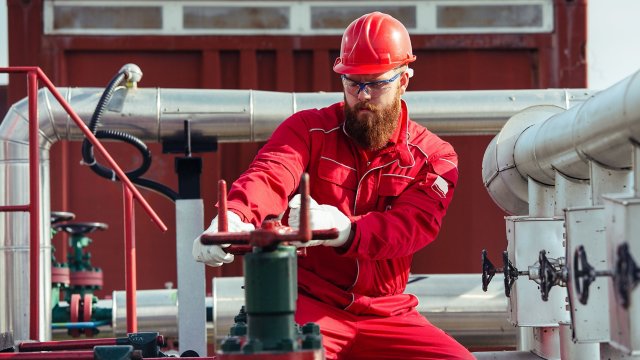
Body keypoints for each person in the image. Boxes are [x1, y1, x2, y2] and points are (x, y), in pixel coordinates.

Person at [193, 11, 474, 360]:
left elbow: (412, 227)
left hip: (387, 312)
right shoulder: (308, 130)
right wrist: (234, 218)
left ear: (404, 80)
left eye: (376, 83)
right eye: (352, 83)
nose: (362, 95)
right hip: (311, 304)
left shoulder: (433, 156)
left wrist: (346, 230)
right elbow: (269, 175)